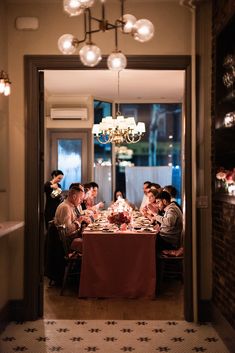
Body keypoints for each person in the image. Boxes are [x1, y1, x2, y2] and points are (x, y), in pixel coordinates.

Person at [54, 183, 91, 252]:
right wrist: (78, 221)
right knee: (91, 243)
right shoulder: (65, 207)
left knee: (91, 239)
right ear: (74, 197)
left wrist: (83, 220)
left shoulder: (72, 205)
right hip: (69, 242)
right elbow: (66, 231)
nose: (82, 201)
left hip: (74, 238)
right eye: (81, 199)